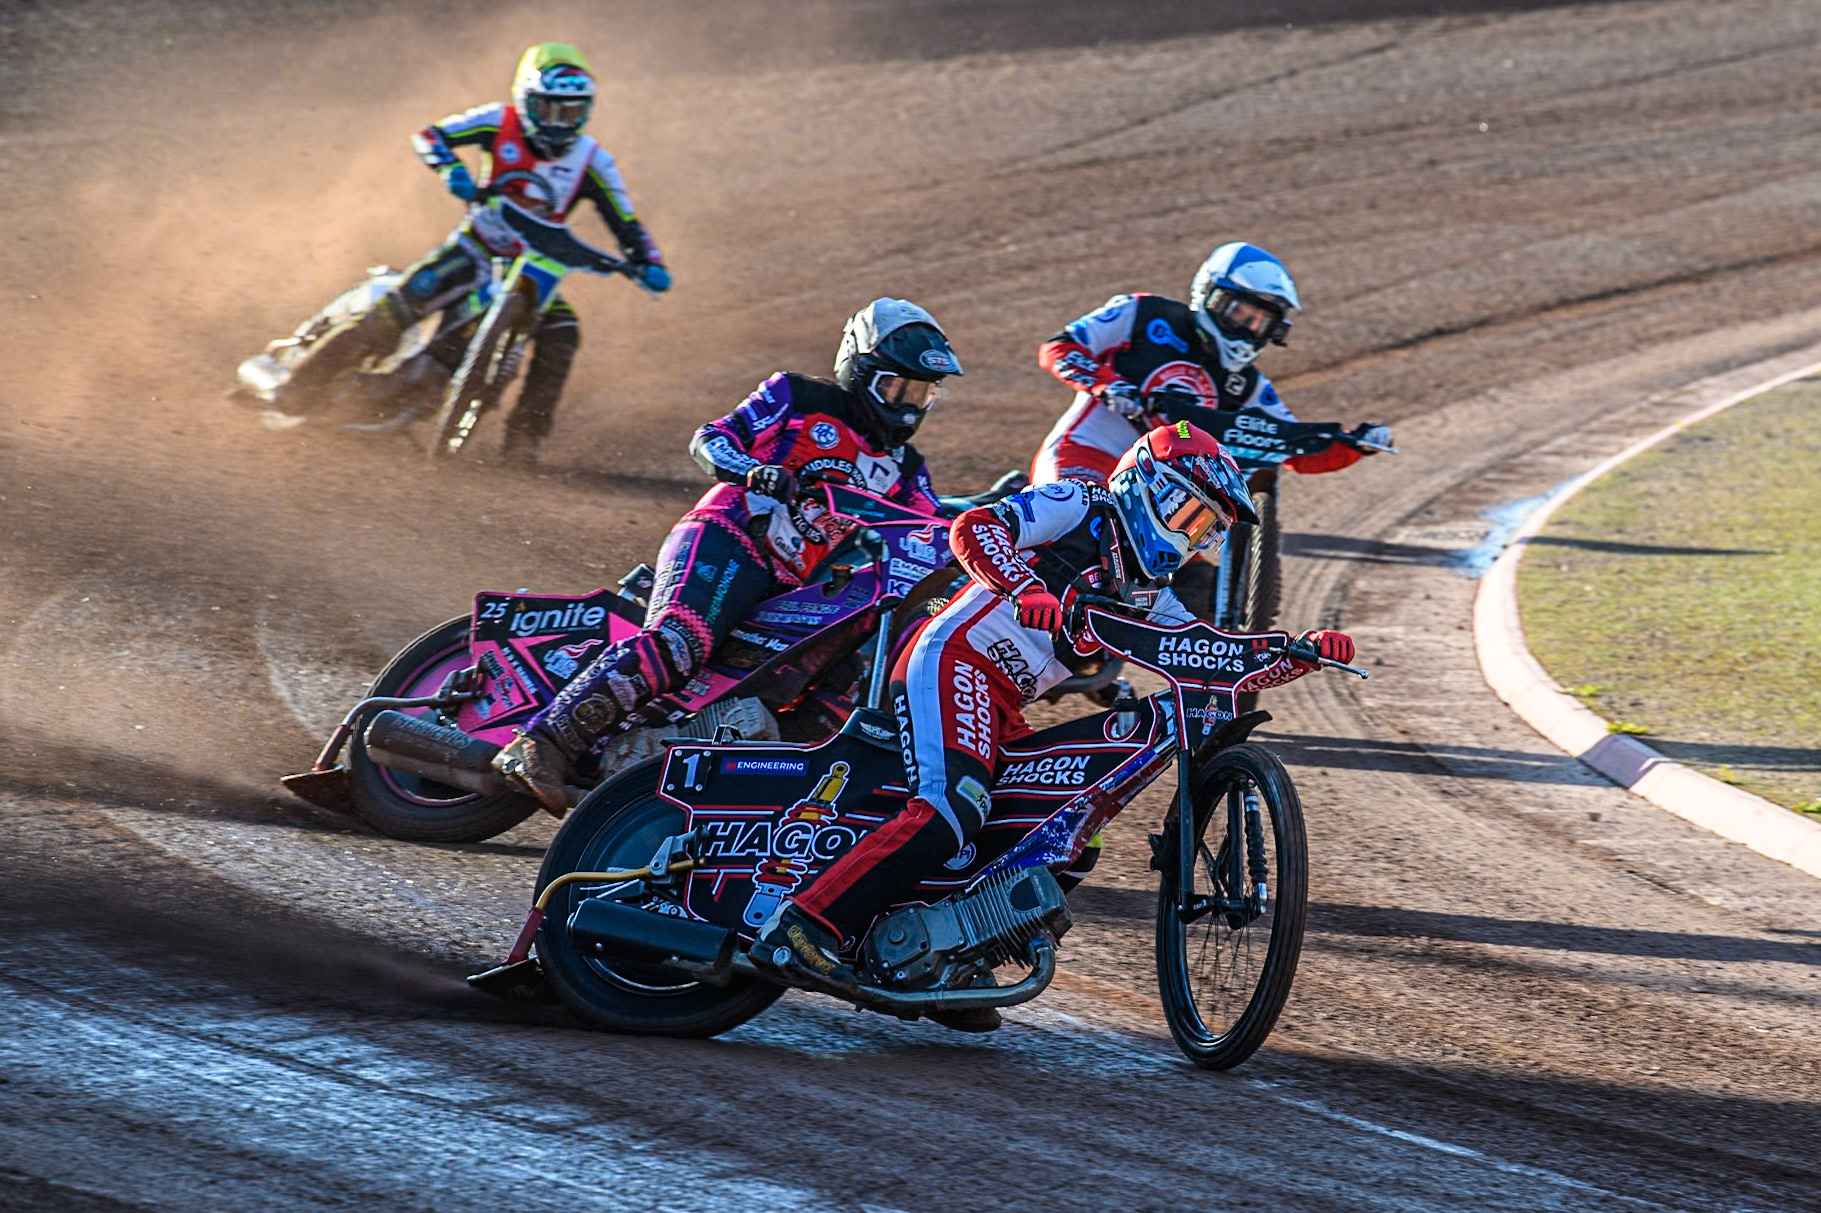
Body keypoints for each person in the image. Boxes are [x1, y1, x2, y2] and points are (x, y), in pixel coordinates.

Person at [751, 421, 1355, 1030]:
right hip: (953, 659)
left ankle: (950, 957)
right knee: (951, 808)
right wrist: (1022, 583)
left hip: (1004, 701)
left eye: (1205, 531)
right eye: (1189, 515)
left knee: (1069, 828)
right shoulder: (1079, 502)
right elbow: (975, 528)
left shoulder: (1153, 593)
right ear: (1151, 485)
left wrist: (1296, 654)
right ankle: (802, 927)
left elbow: (1211, 654)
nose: (1189, 538)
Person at [492, 298, 962, 809]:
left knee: (815, 681)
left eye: (922, 392)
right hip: (730, 535)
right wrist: (749, 469)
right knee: (679, 643)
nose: (908, 405)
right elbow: (711, 438)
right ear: (859, 368)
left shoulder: (906, 468)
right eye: (896, 387)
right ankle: (540, 742)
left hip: (791, 585)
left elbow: (934, 527)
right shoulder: (798, 396)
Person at [276, 43, 670, 465]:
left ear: (586, 110)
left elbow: (625, 220)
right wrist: (452, 169)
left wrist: (649, 261)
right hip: (474, 248)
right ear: (525, 100)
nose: (558, 122)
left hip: (535, 269)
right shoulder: (498, 122)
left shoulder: (594, 162)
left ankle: (524, 442)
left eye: (570, 111)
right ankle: (296, 389)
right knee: (394, 311)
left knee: (564, 332)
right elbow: (430, 136)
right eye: (549, 108)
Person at [1031, 241, 1391, 485]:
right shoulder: (1144, 313)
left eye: (1259, 323)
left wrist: (1356, 445)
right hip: (1088, 454)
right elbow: (1060, 347)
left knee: (1197, 589)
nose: (1247, 330)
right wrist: (1108, 386)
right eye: (1239, 313)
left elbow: (1292, 448)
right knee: (1074, 530)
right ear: (1209, 294)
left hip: (1157, 493)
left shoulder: (1248, 386)